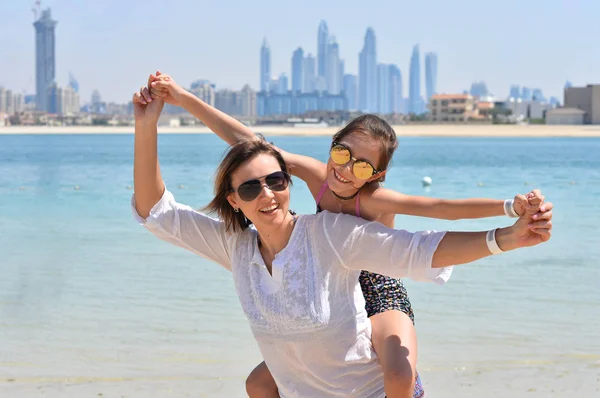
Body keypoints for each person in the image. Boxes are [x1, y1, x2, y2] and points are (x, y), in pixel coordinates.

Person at [132, 84, 552, 397]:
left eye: (276, 181)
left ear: (377, 175)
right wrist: (174, 105)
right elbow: (247, 146)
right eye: (342, 155)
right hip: (334, 279)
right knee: (259, 383)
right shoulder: (306, 187)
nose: (347, 170)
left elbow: (434, 217)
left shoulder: (358, 212)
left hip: (380, 276)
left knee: (399, 374)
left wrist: (506, 217)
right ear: (332, 147)